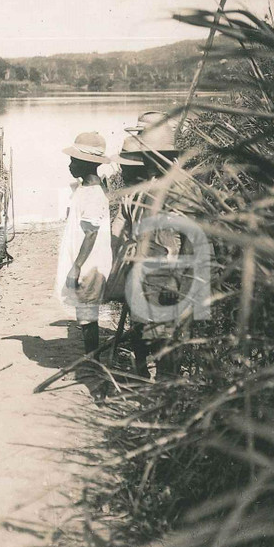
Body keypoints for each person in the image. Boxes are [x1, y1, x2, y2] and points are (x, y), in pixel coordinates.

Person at [110, 111, 191, 378]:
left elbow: (190, 239)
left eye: (147, 153)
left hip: (167, 274)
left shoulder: (180, 187)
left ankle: (167, 389)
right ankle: (143, 380)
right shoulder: (151, 185)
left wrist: (174, 280)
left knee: (165, 336)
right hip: (145, 271)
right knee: (143, 328)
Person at [56, 132, 115, 364]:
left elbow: (91, 234)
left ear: (87, 163)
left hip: (90, 262)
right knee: (84, 311)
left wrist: (77, 266)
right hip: (83, 258)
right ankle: (91, 357)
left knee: (88, 313)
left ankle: (93, 359)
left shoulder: (94, 195)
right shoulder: (83, 189)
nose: (70, 165)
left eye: (74, 161)